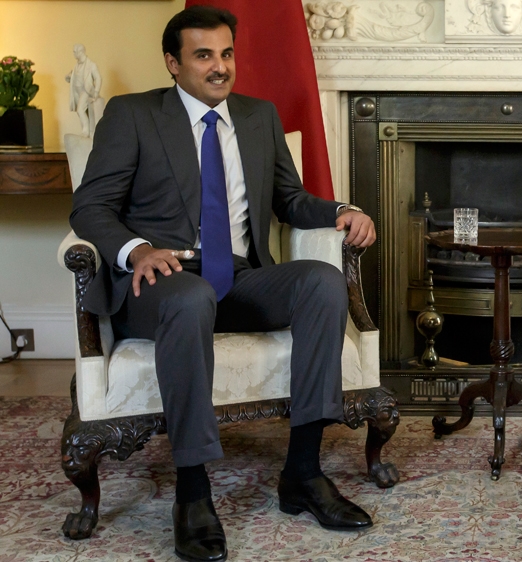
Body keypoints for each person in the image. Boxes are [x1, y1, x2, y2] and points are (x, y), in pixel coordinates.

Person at [69, 7, 377, 562]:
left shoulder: (259, 118)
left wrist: (342, 210)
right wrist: (137, 249)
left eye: (227, 54)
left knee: (323, 282)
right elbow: (90, 208)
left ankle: (303, 475)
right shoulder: (134, 115)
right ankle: (192, 494)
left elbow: (290, 199)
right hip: (161, 284)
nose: (219, 67)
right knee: (189, 298)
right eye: (204, 55)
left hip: (237, 278)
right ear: (173, 63)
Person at [65, 44, 104, 138]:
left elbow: (98, 78)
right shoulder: (76, 65)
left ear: (81, 52)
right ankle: (88, 131)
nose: (73, 54)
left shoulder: (91, 65)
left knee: (80, 110)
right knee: (83, 112)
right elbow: (75, 77)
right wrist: (69, 78)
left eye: (75, 51)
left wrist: (96, 92)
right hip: (77, 91)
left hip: (86, 91)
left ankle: (86, 130)